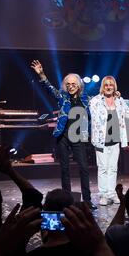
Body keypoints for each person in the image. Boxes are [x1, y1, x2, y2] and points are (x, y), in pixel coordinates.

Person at [31, 60, 96, 210]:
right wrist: (42, 74)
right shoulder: (62, 97)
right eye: (68, 84)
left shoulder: (87, 99)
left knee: (84, 168)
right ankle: (66, 200)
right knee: (65, 169)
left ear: (79, 85)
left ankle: (87, 200)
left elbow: (102, 102)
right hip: (63, 135)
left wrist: (116, 95)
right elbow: (49, 88)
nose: (71, 87)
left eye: (74, 84)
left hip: (78, 136)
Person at [89, 76, 129, 206]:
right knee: (103, 168)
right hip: (101, 139)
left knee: (113, 168)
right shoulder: (96, 101)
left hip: (115, 138)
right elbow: (95, 119)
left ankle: (111, 193)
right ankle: (104, 195)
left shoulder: (120, 101)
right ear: (102, 87)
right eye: (106, 85)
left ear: (114, 87)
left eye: (111, 85)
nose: (109, 87)